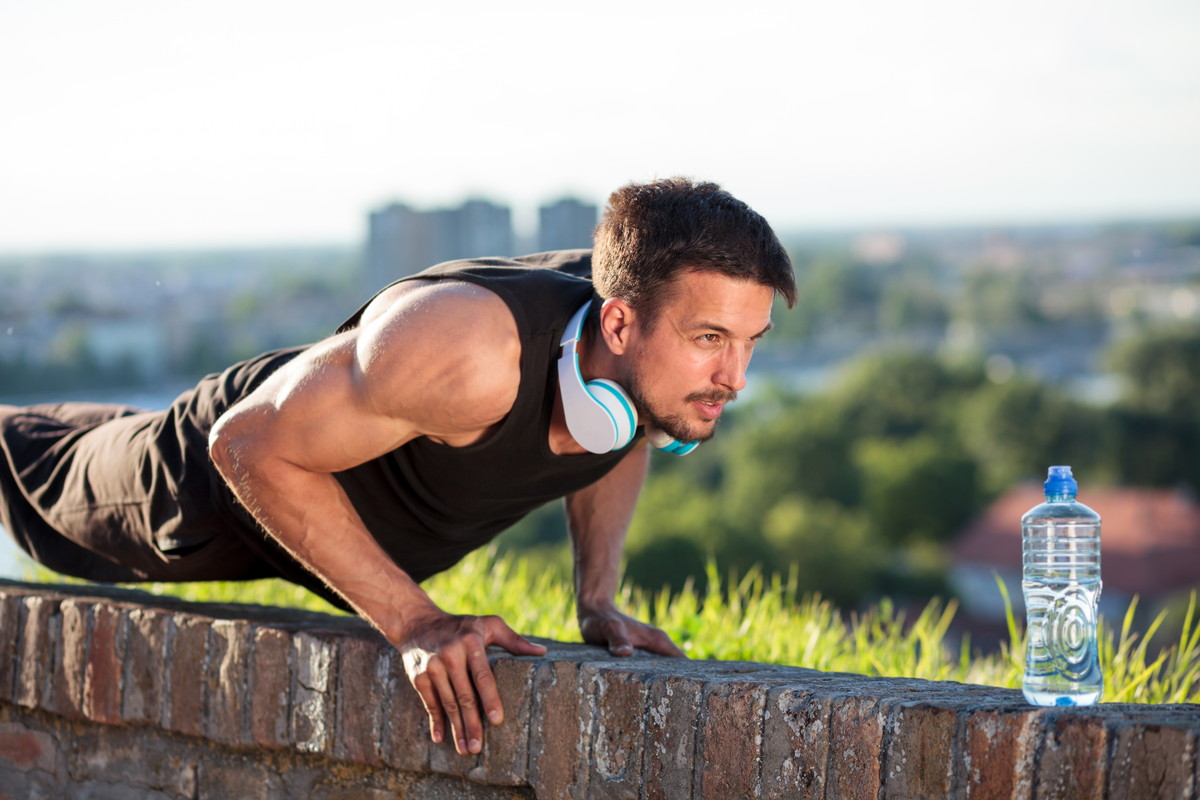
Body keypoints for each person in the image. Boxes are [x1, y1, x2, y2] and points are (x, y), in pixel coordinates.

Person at [0, 177, 796, 755]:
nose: (735, 378)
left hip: (322, 518)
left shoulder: (635, 368)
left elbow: (619, 436)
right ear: (619, 322)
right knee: (29, 478)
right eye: (709, 340)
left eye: (748, 342)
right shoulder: (469, 352)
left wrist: (598, 596)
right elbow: (245, 446)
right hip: (204, 488)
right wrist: (415, 623)